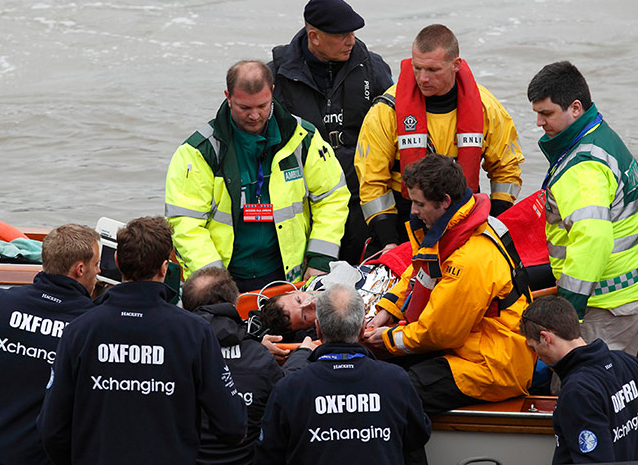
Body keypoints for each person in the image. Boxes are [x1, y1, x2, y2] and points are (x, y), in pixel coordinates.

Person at [37, 217, 246, 465]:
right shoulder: (194, 332)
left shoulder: (80, 330)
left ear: (116, 261)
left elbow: (51, 427)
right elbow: (233, 426)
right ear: (164, 268)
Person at [363, 154, 534, 414]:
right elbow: (419, 271)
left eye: (419, 204)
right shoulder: (458, 227)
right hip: (474, 346)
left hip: (494, 365)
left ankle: (409, 454)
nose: (414, 212)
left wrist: (386, 338)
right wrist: (387, 310)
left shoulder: (469, 259)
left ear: (444, 201)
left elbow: (438, 333)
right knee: (384, 370)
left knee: (394, 391)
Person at [165, 60, 350, 292]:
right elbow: (185, 223)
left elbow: (332, 197)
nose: (254, 116)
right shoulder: (199, 152)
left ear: (272, 92)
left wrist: (320, 259)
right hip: (225, 280)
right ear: (228, 97)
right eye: (244, 108)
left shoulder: (303, 138)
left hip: (290, 278)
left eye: (262, 106)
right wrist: (215, 283)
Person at [354, 24, 524, 257]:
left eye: (433, 70)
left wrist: (494, 224)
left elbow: (507, 169)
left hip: (463, 216)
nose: (423, 78)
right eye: (417, 68)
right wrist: (388, 241)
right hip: (404, 219)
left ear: (456, 65)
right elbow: (371, 180)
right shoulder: (387, 110)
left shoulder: (486, 107)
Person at [527, 61, 638, 355]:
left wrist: (568, 314)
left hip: (611, 306)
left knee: (580, 388)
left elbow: (592, 241)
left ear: (575, 107)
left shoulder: (582, 167)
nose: (538, 122)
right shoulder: (601, 136)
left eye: (546, 113)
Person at [0, 224, 100, 465]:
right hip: (36, 457)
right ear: (80, 269)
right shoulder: (90, 324)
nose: (99, 271)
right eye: (96, 265)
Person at [269, 0, 393, 264]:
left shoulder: (373, 69)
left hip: (362, 197)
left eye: (352, 33)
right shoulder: (276, 75)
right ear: (314, 36)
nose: (351, 41)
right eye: (342, 35)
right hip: (304, 200)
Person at [254, 283, 431, 464]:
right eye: (302, 313)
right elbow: (418, 436)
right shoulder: (396, 380)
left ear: (318, 329)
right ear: (363, 328)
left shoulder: (289, 388)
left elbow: (267, 456)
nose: (307, 304)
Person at [182, 266, 311, 465]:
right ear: (234, 303)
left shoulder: (171, 351)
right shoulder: (258, 357)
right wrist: (302, 354)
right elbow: (289, 389)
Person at [521, 295, 638, 464]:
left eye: (533, 348)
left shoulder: (577, 392)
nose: (538, 358)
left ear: (545, 338)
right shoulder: (627, 362)